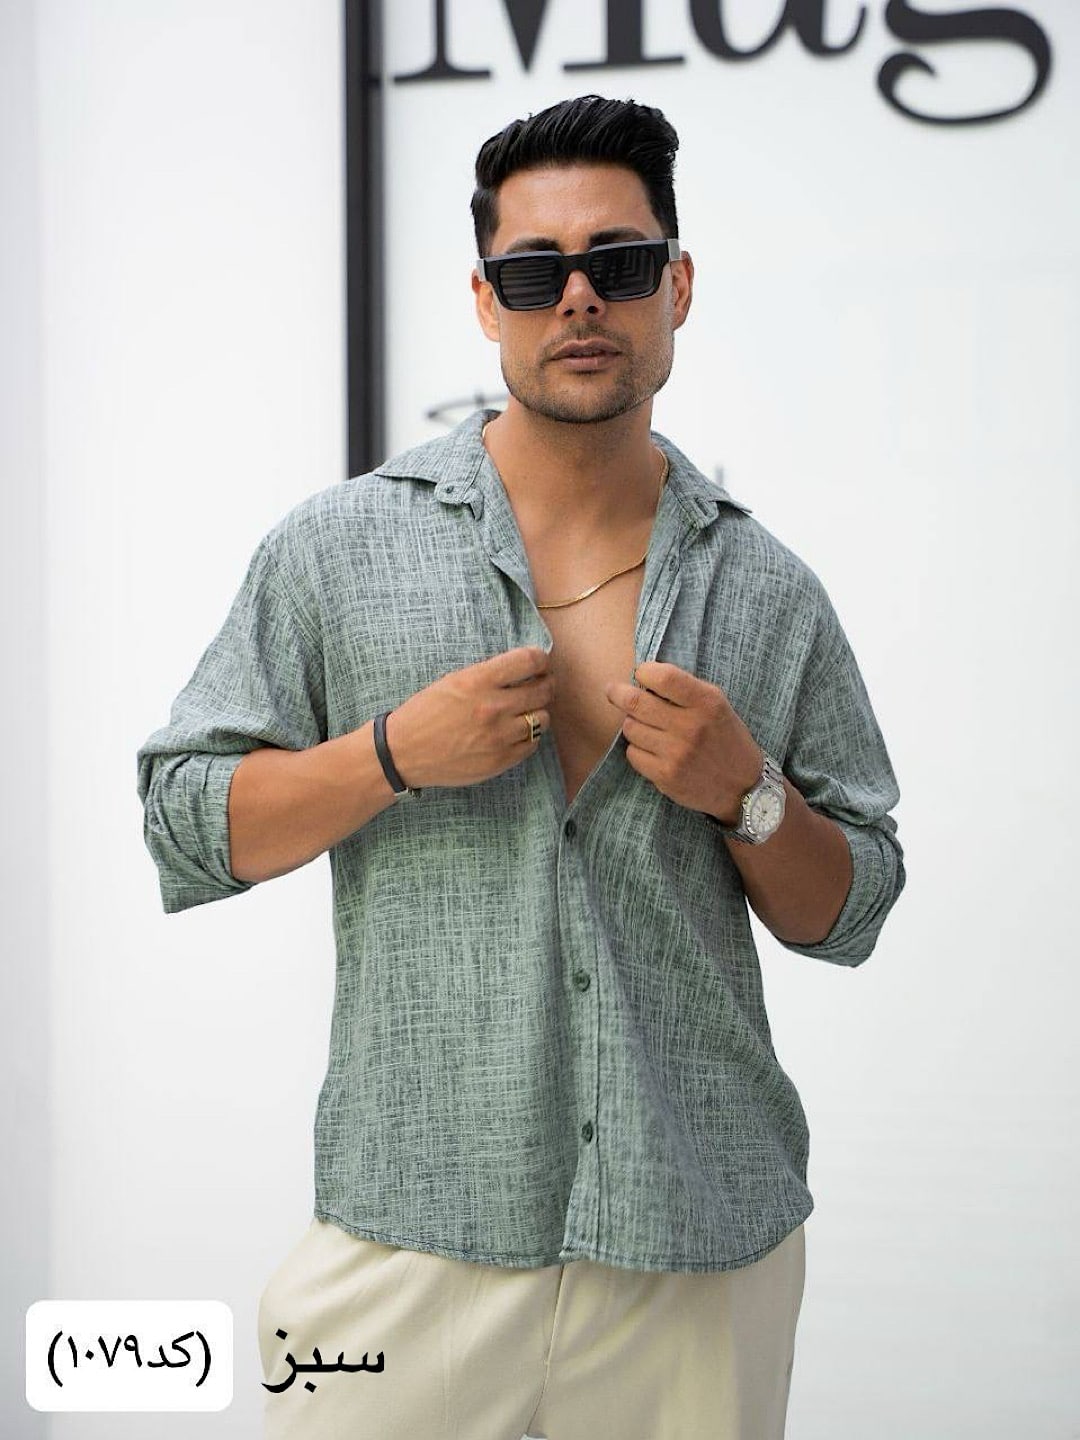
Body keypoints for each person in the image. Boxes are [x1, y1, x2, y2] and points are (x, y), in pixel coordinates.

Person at [137, 94, 904, 1440]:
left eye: (620, 264)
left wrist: (748, 793)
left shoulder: (769, 591)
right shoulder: (336, 550)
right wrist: (391, 754)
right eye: (536, 272)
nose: (580, 300)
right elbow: (186, 823)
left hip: (695, 1241)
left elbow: (851, 910)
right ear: (488, 301)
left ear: (677, 287)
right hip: (414, 1235)